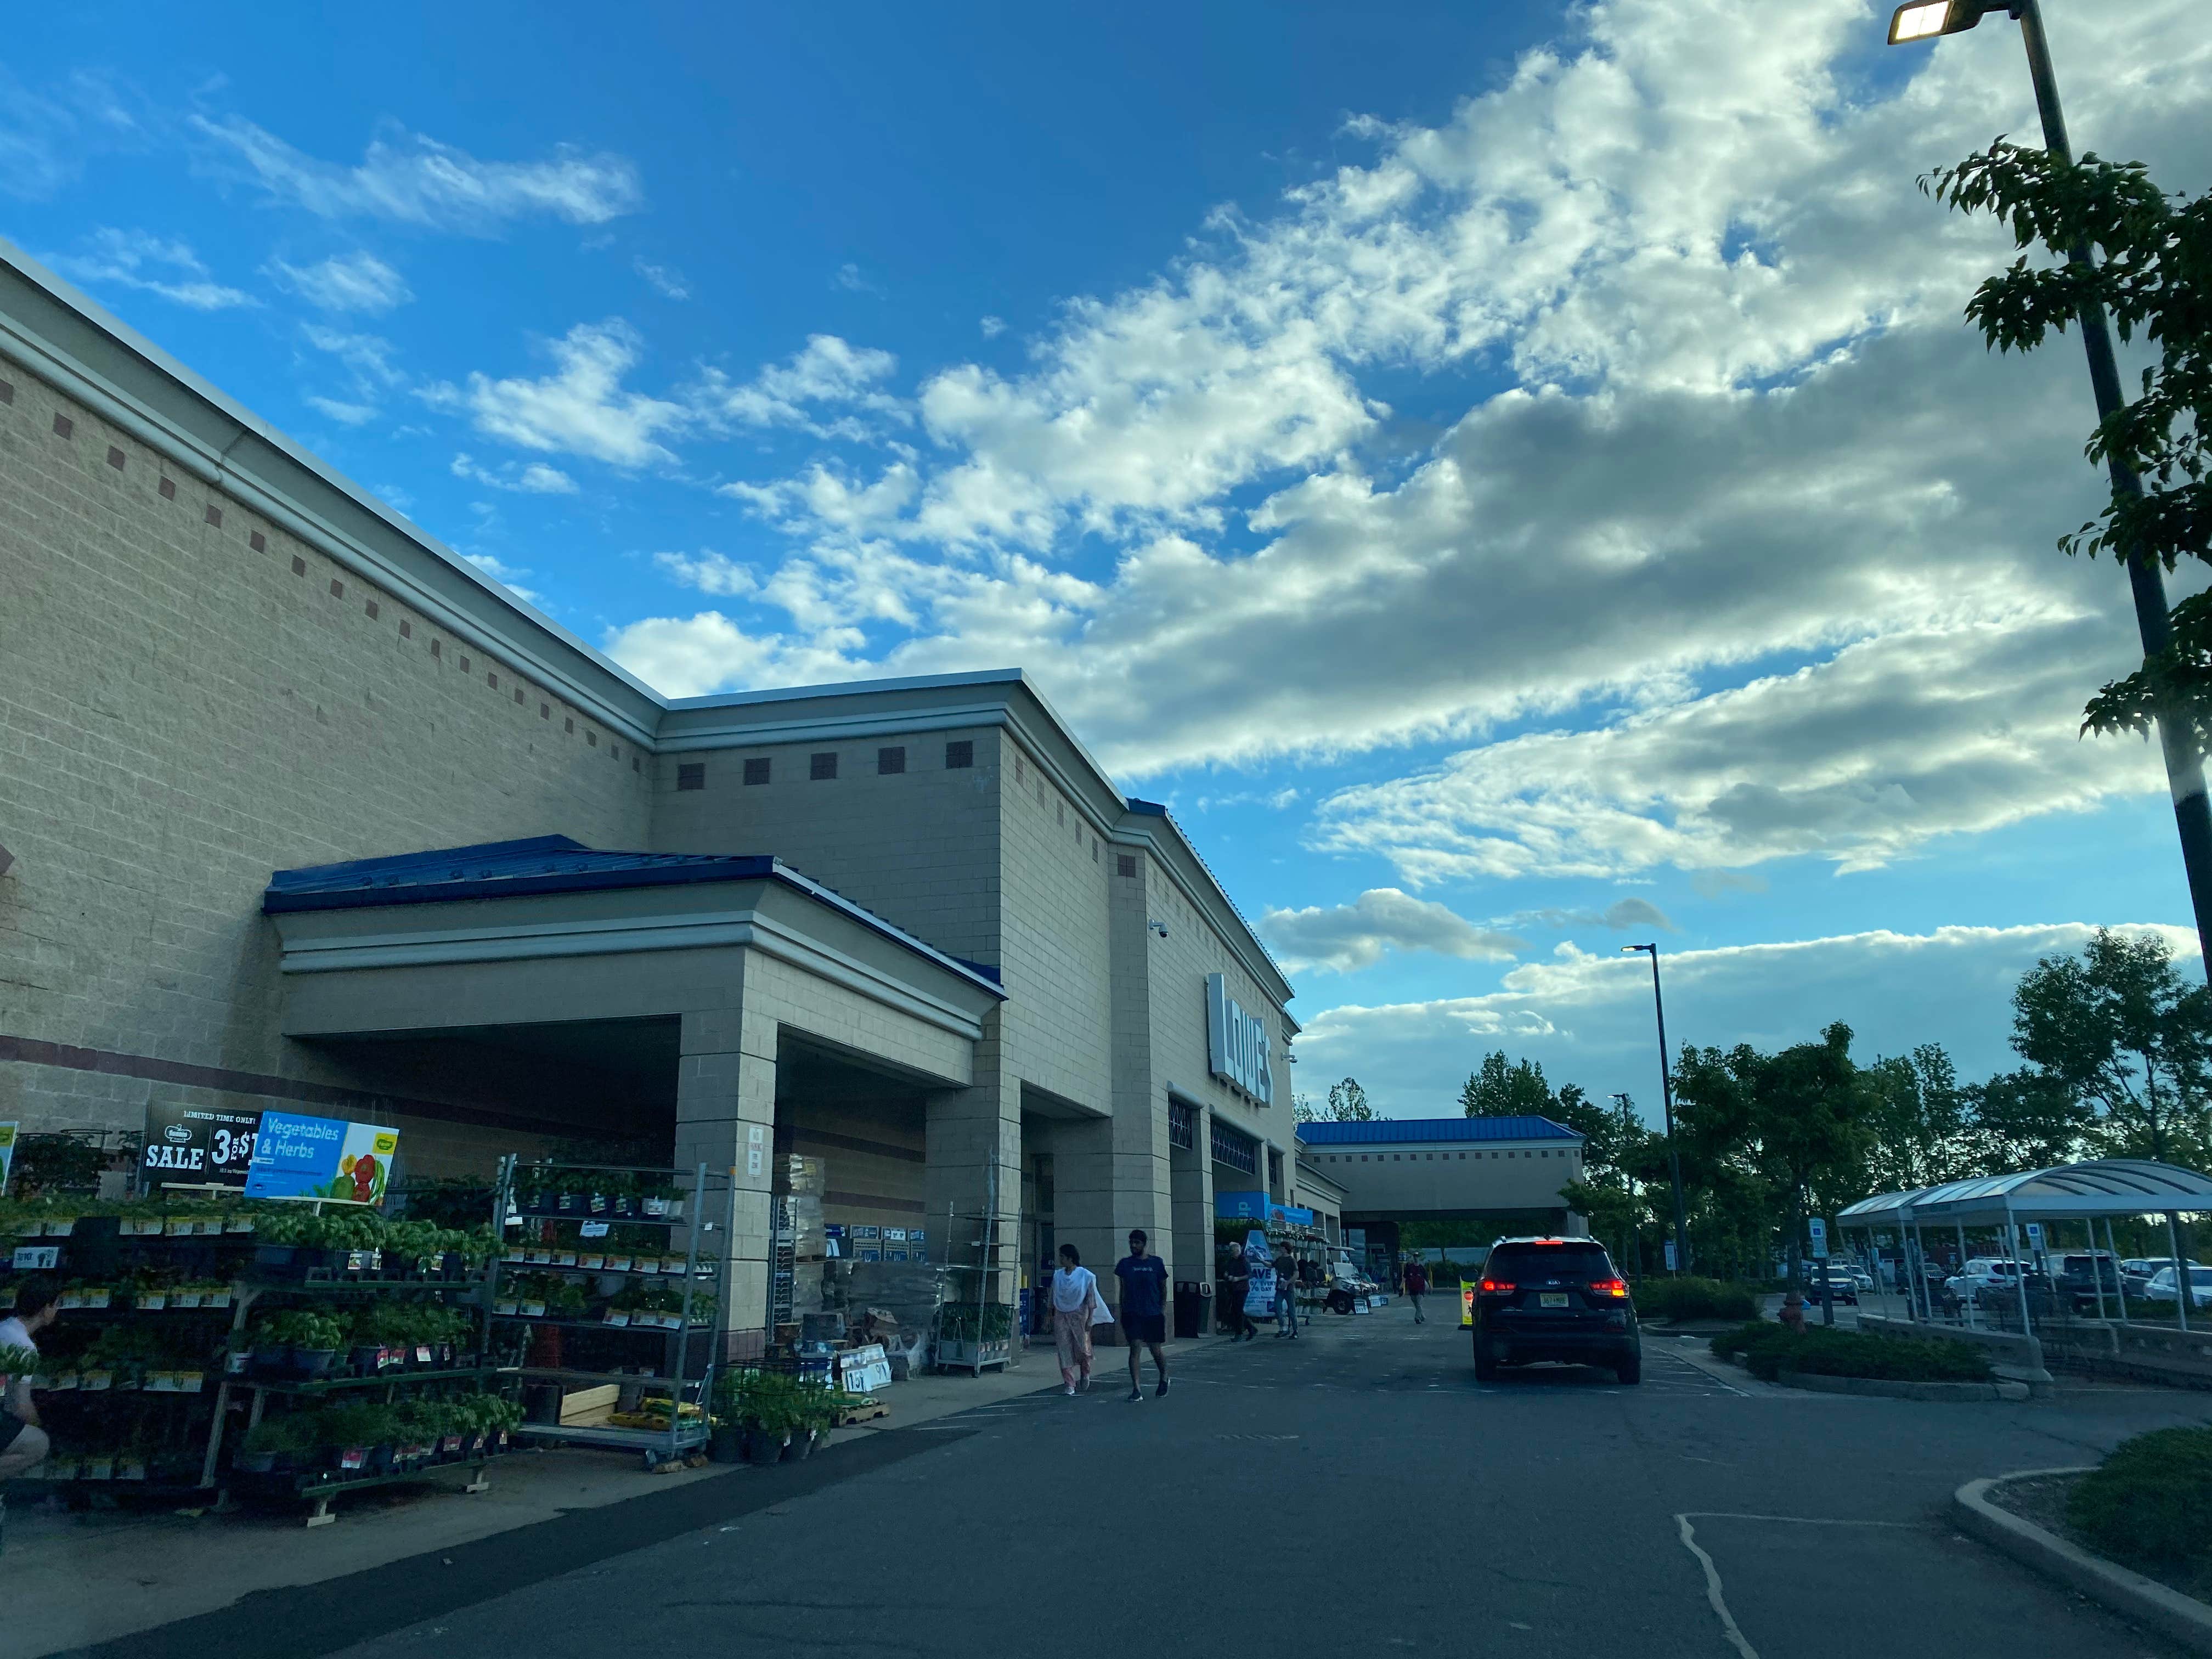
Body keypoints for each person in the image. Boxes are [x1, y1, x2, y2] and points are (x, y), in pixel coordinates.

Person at [0, 1275, 61, 1551]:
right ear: (47, 1308)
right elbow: (21, 1407)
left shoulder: (4, 1329)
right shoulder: (24, 1347)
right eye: (57, 1305)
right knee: (37, 1444)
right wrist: (41, 1428)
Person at [1113, 1229, 1171, 1401]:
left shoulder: (1156, 1263)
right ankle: (1136, 1389)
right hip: (1132, 1312)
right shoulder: (1125, 1265)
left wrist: (1162, 1308)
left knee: (1155, 1350)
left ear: (1145, 1244)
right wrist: (1122, 1311)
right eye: (1131, 1243)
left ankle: (1164, 1377)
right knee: (1135, 1347)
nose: (1133, 1246)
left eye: (1137, 1243)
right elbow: (1122, 1289)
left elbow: (1163, 1287)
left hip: (1153, 1312)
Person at [1049, 1243, 1105, 1395]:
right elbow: (1053, 1295)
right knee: (1064, 1349)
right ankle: (1069, 1384)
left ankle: (1085, 1372)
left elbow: (1091, 1299)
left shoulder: (1085, 1276)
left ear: (1070, 1258)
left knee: (1083, 1348)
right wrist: (1050, 1313)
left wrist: (1090, 1319)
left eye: (1062, 1256)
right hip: (1061, 1315)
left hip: (1080, 1316)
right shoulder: (1058, 1275)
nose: (1060, 1259)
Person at [1218, 1243, 1255, 1340]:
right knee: (1235, 1311)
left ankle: (1239, 1333)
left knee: (1238, 1311)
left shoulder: (1244, 1261)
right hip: (1233, 1288)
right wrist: (1227, 1274)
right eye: (1232, 1253)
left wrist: (1237, 1279)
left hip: (1242, 1288)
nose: (1233, 1254)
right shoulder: (1231, 1260)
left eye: (1234, 1252)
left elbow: (1250, 1275)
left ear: (1238, 1251)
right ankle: (1251, 1328)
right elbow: (1227, 1270)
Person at [1273, 1250, 1299, 1339]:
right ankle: (1283, 1328)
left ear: (1285, 1248)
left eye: (1282, 1247)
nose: (1280, 1249)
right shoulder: (1279, 1259)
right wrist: (1262, 1261)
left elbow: (1296, 1274)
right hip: (1280, 1288)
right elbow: (1271, 1265)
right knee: (1277, 1307)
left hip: (1289, 1289)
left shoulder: (1292, 1260)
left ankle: (1295, 1330)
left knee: (1291, 1311)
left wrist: (1288, 1283)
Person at [1403, 1255, 1430, 1324]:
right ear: (1413, 1258)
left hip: (1420, 1289)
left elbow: (1427, 1278)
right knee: (1417, 1305)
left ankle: (1417, 1318)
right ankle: (1423, 1316)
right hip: (1412, 1289)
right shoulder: (1410, 1268)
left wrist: (1430, 1286)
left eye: (1417, 1257)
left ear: (1419, 1258)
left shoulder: (1421, 1268)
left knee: (1418, 1304)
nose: (1416, 1258)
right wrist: (1401, 1285)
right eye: (1415, 1256)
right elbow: (1405, 1277)